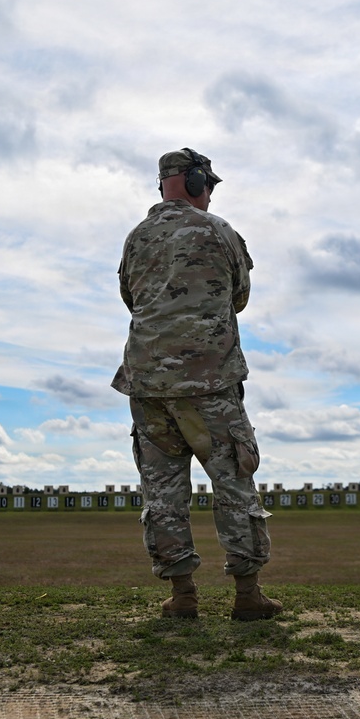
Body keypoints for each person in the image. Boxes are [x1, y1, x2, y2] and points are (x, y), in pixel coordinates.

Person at [111, 147, 281, 621]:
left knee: (162, 492)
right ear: (196, 181)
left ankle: (182, 595)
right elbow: (240, 296)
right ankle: (247, 595)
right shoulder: (219, 231)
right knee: (234, 483)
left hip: (147, 384)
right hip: (209, 383)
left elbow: (130, 297)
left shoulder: (136, 238)